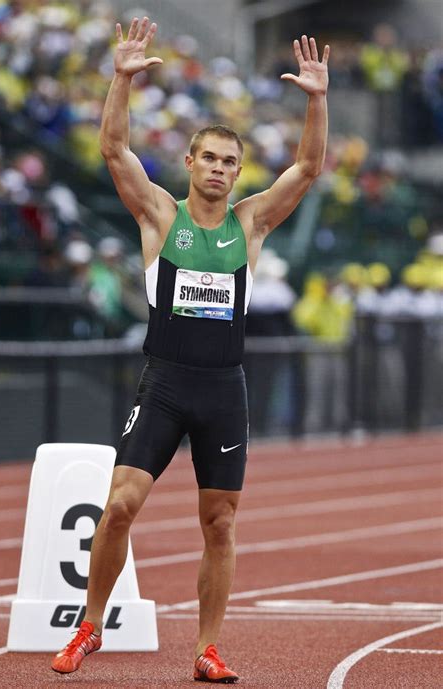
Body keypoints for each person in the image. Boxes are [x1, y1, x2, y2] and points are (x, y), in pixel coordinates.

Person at [51, 16, 329, 683]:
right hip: (167, 381)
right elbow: (115, 149)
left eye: (230, 162)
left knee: (220, 523)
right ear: (191, 162)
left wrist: (317, 101)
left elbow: (310, 166)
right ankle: (90, 623)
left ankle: (206, 647)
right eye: (210, 158)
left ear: (237, 173)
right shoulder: (161, 216)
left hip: (222, 388)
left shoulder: (251, 222)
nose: (220, 170)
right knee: (119, 504)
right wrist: (120, 79)